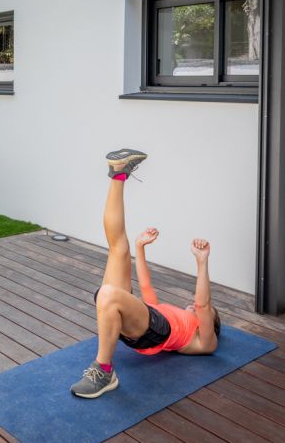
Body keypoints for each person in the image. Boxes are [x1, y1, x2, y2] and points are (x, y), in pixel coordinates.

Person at [70, 149, 221, 399]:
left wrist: (202, 263)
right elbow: (147, 288)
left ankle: (104, 371)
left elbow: (203, 304)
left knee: (107, 294)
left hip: (156, 331)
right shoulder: (174, 312)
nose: (192, 306)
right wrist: (140, 248)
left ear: (211, 324)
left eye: (206, 314)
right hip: (146, 318)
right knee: (118, 247)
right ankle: (119, 174)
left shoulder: (204, 341)